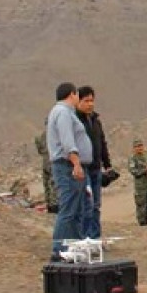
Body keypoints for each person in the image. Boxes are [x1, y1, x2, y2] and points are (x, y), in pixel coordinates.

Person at [47, 82, 93, 259]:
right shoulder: (63, 113)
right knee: (68, 208)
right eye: (77, 95)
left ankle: (72, 248)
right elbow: (67, 141)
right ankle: (59, 249)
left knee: (76, 209)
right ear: (72, 95)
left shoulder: (65, 113)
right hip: (67, 166)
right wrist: (76, 163)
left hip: (70, 166)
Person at [76, 86, 112, 239]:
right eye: (86, 101)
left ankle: (95, 238)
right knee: (87, 205)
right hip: (83, 168)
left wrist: (107, 163)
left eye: (92, 100)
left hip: (96, 169)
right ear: (78, 102)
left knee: (96, 206)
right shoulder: (76, 121)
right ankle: (85, 238)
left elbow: (102, 143)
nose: (90, 104)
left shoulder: (96, 121)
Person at [127, 139, 147, 227]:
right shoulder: (133, 158)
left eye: (141, 146)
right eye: (137, 146)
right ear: (134, 148)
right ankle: (142, 222)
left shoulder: (146, 156)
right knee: (141, 203)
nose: (140, 148)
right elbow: (133, 171)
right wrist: (144, 170)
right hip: (140, 185)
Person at [34, 128, 58, 213]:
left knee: (47, 182)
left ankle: (49, 204)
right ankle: (54, 205)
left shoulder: (40, 135)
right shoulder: (56, 134)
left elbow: (39, 150)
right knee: (53, 183)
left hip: (45, 160)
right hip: (53, 160)